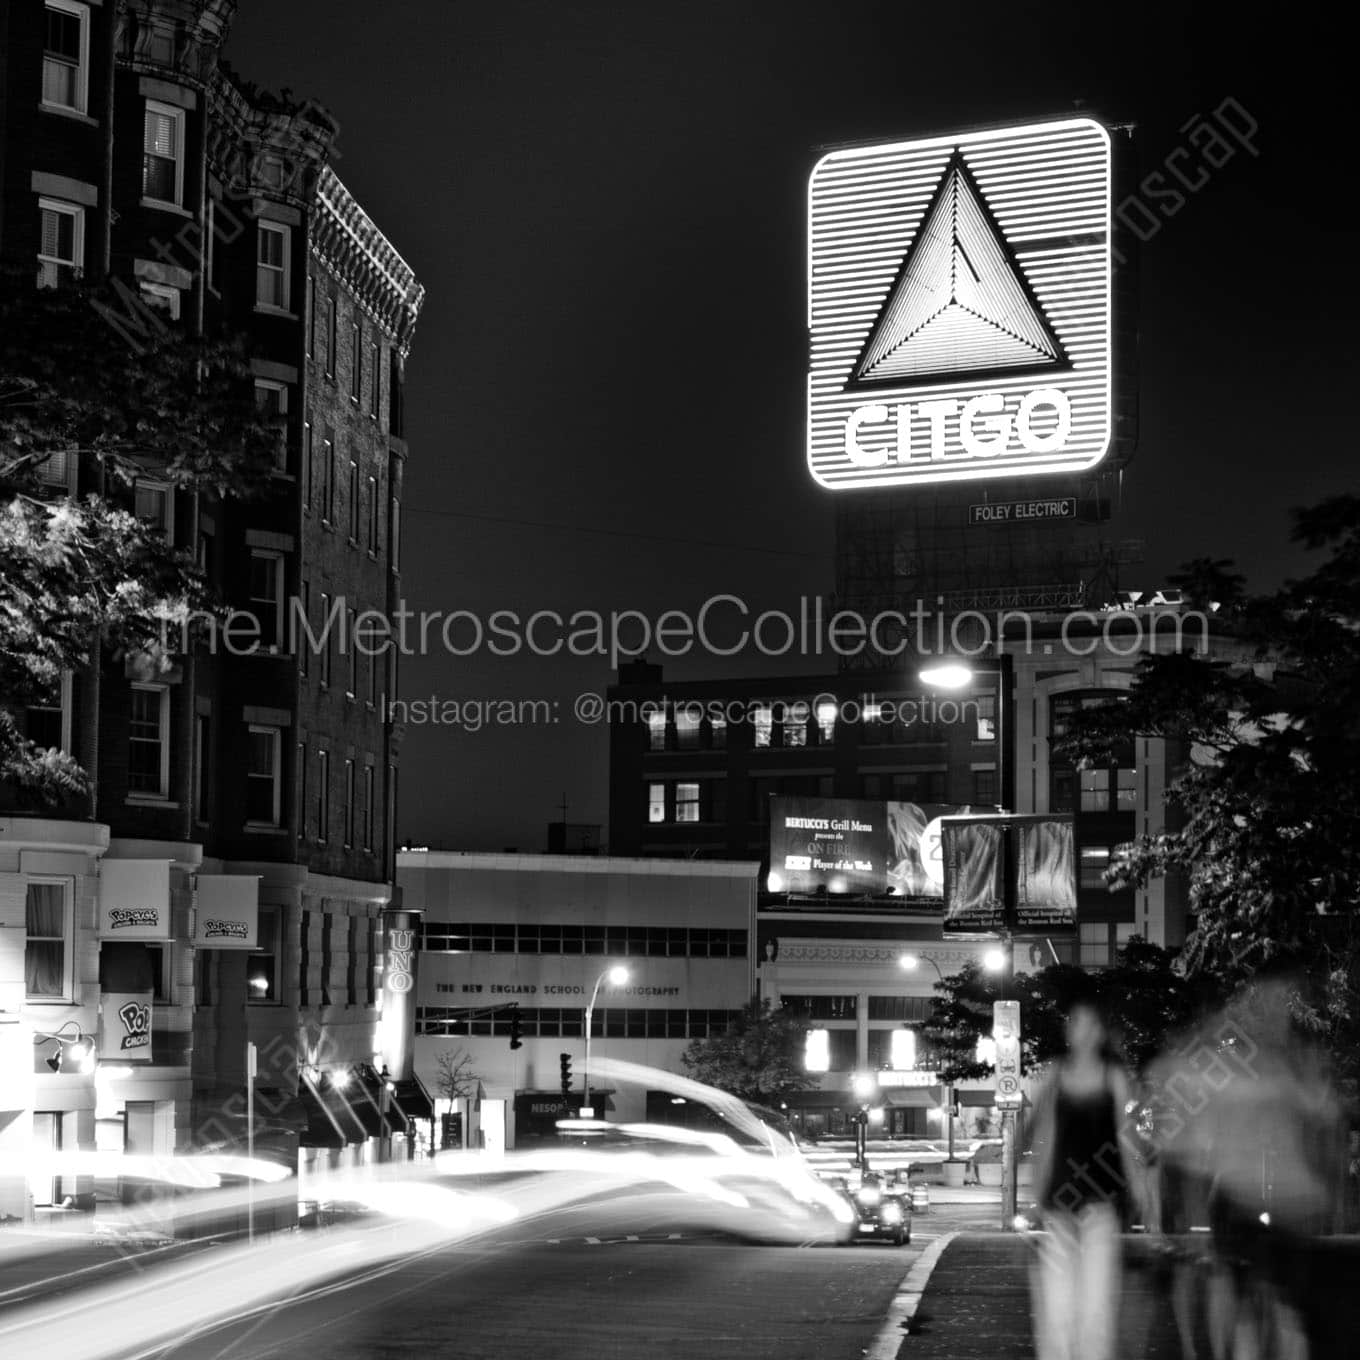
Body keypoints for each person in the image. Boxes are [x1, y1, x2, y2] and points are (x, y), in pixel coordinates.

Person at [1027, 993, 1140, 1360]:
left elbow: (1126, 1138)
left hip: (1100, 1203)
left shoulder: (1113, 1077)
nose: (1083, 1032)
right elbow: (1045, 1137)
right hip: (1059, 1202)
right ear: (1069, 1031)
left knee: (1096, 1307)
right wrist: (1034, 1196)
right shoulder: (1055, 1075)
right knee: (1057, 1308)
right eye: (1076, 1024)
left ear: (1100, 1033)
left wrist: (1142, 1194)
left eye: (1091, 1025)